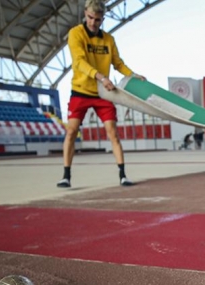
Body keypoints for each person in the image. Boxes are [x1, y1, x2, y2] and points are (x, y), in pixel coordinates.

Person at [57, 0, 145, 188]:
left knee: (113, 133)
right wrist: (101, 77)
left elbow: (118, 63)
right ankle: (66, 176)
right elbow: (79, 61)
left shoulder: (108, 40)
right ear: (85, 13)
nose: (93, 23)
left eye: (97, 20)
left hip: (103, 94)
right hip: (81, 91)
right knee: (71, 131)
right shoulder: (75, 34)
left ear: (102, 19)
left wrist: (133, 75)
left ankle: (122, 175)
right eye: (90, 18)